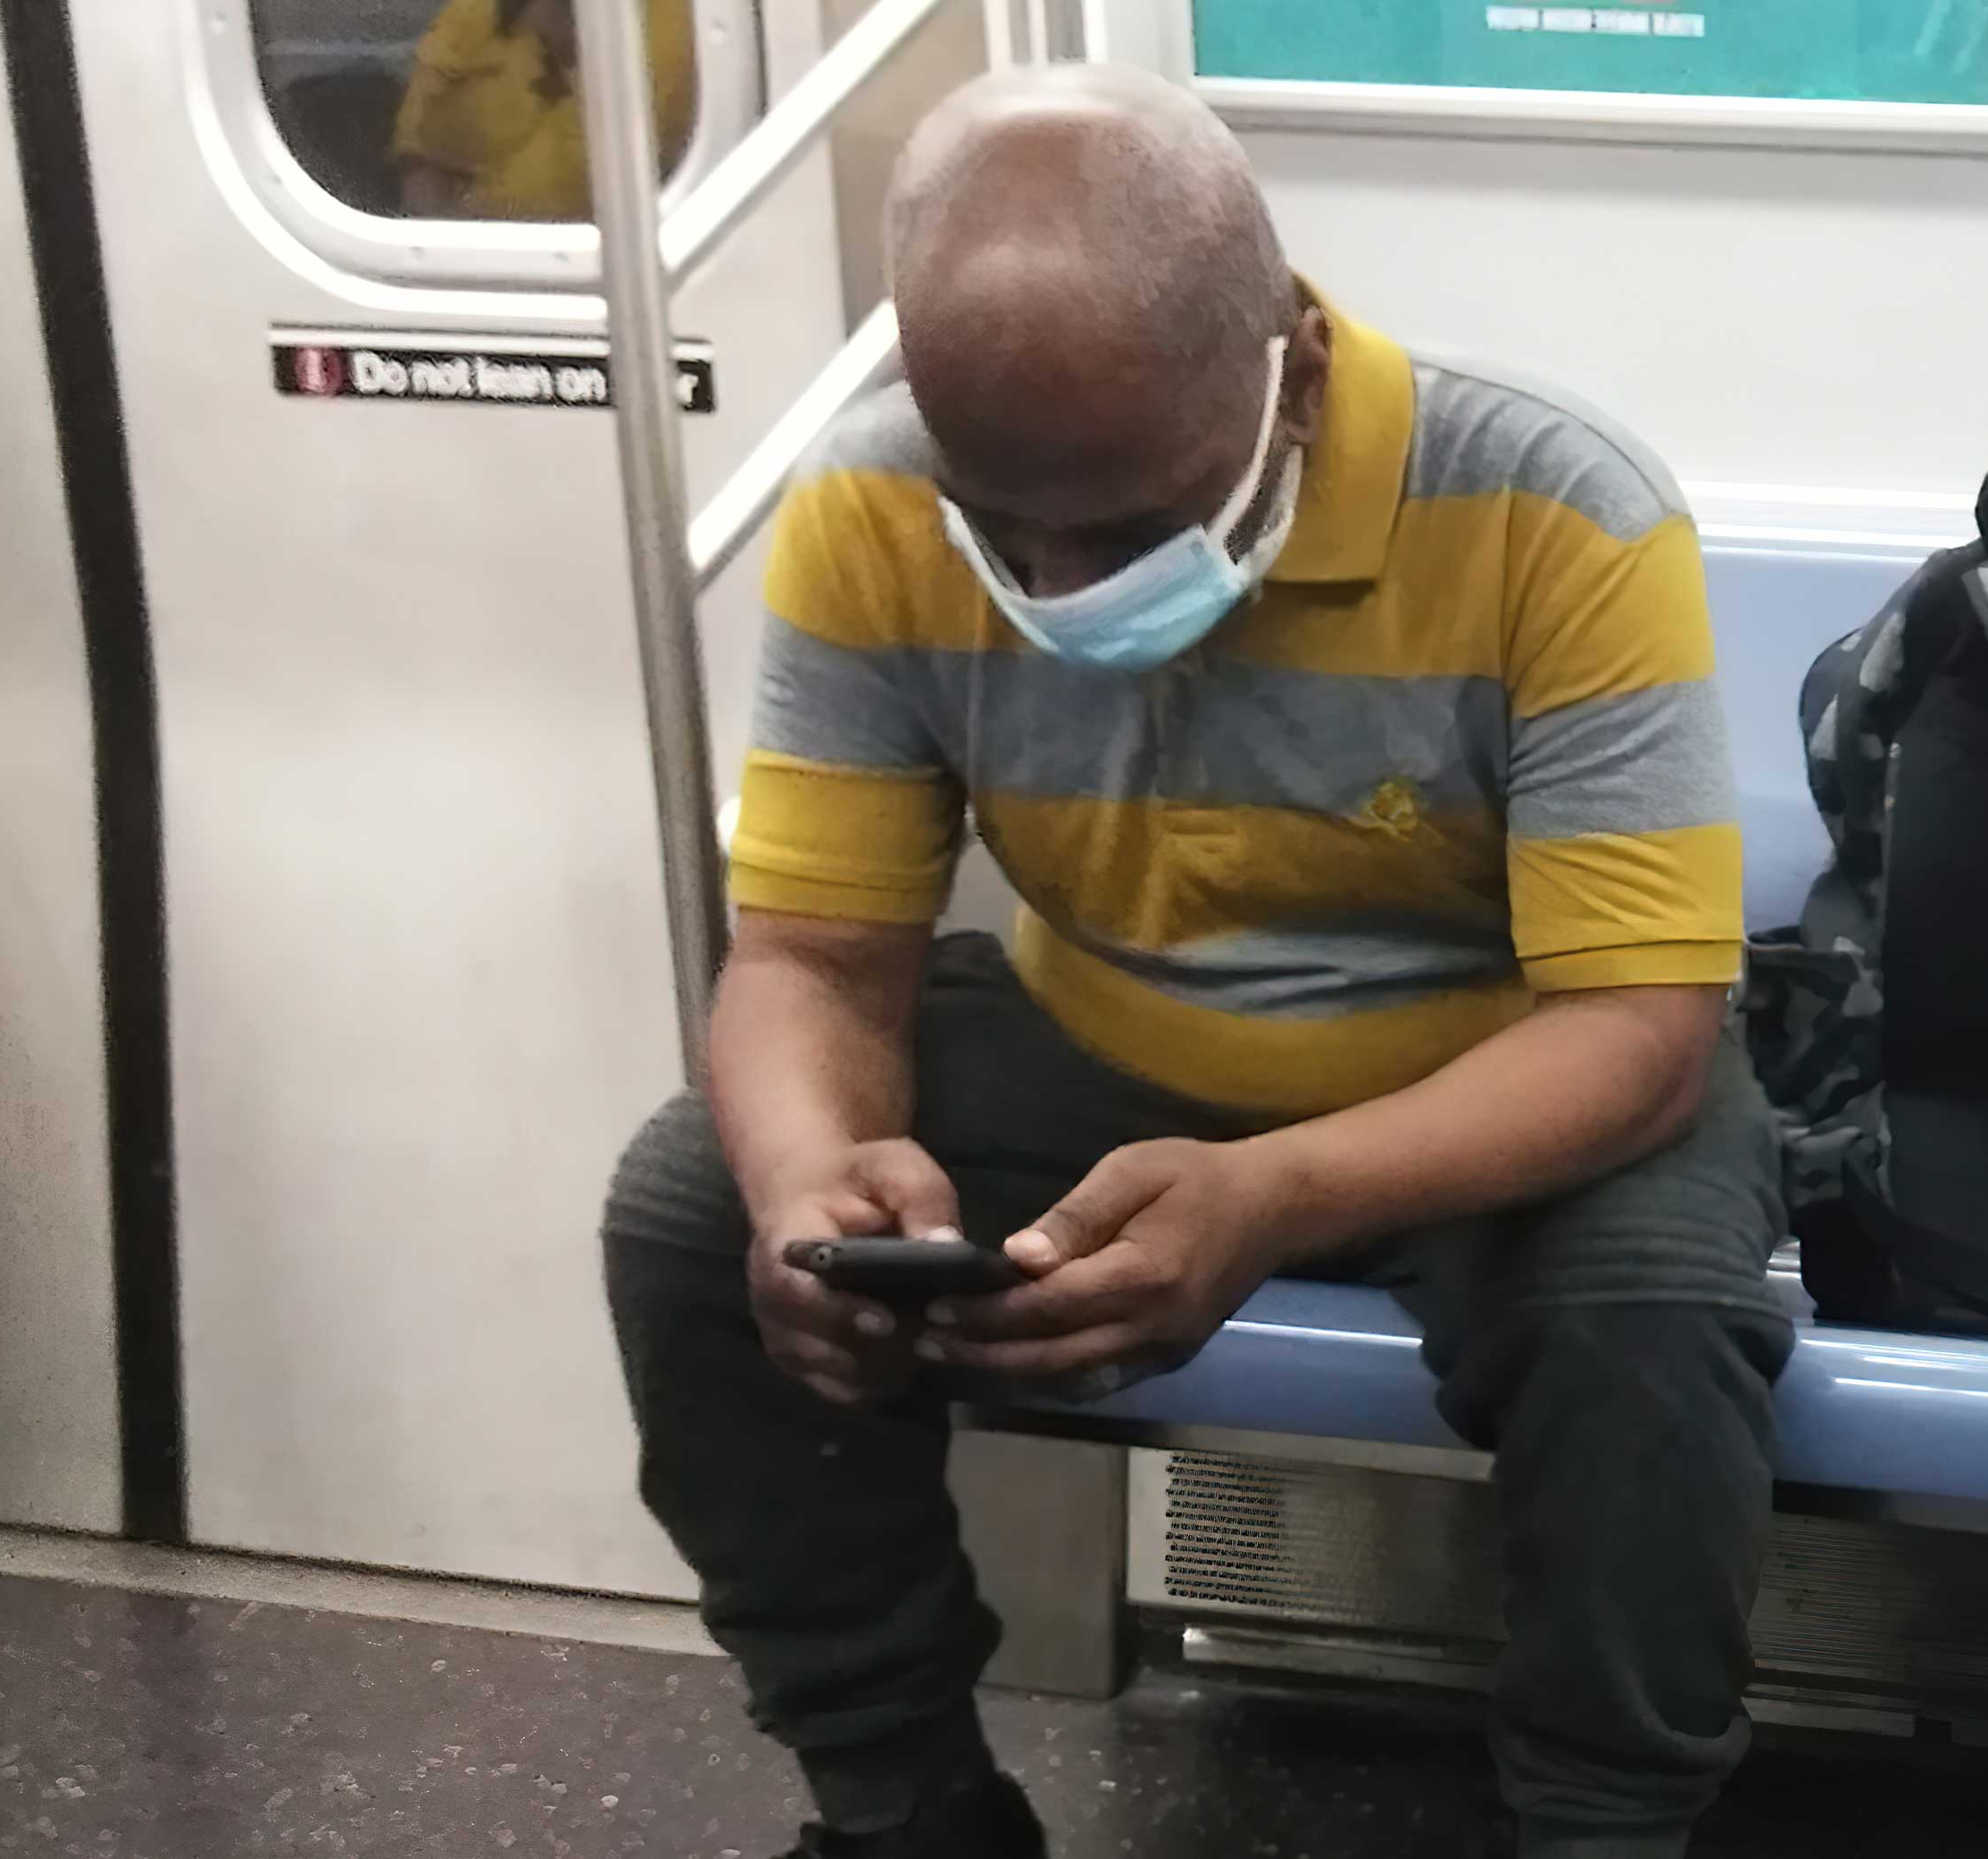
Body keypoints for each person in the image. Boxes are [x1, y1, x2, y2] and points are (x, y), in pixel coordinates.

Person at [597, 62, 1788, 1859]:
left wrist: (1272, 1193)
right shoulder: (871, 506)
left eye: (1132, 515)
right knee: (694, 1213)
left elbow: (1636, 1028)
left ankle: (1599, 1834)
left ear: (1288, 364)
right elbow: (816, 963)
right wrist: (801, 1181)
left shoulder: (1557, 506)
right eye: (1009, 518)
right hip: (1115, 1038)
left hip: (1507, 1072)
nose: (1064, 579)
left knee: (1647, 1326)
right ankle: (902, 1806)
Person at [388, 0, 695, 220]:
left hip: (563, 247)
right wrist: (417, 169)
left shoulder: (672, 23)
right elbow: (436, 70)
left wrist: (471, 213)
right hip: (443, 222)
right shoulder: (485, 11)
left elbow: (593, 161)